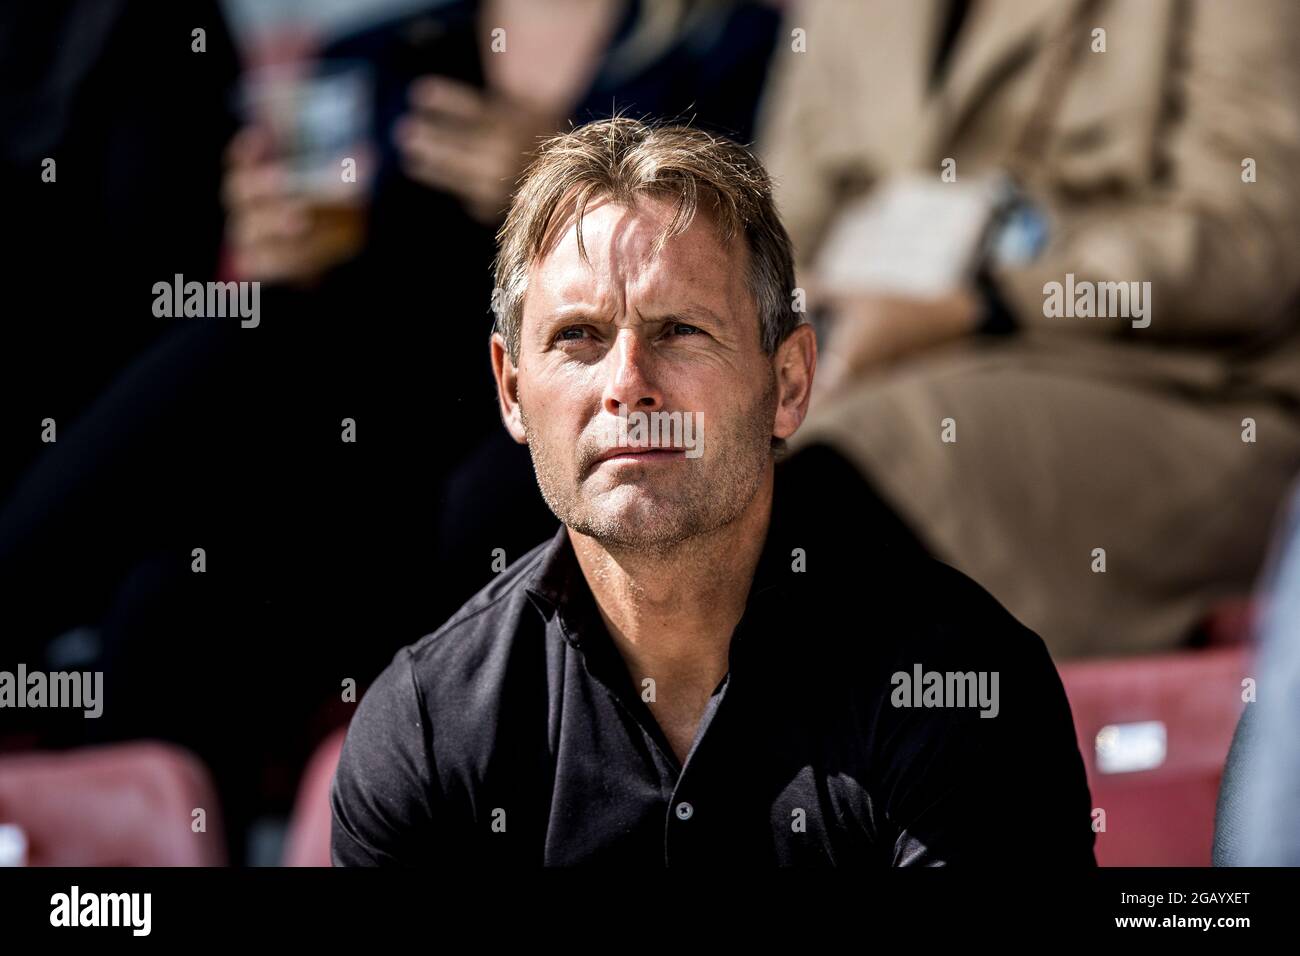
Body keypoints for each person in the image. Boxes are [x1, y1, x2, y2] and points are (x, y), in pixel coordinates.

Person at [330, 118, 1096, 865]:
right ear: (510, 390)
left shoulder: (959, 684)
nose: (627, 385)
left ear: (790, 383)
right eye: (578, 337)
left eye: (680, 331)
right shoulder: (427, 730)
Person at [755, 0, 1300, 659]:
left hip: (1176, 390)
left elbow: (1248, 237)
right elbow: (780, 226)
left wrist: (980, 307)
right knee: (702, 460)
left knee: (850, 463)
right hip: (865, 362)